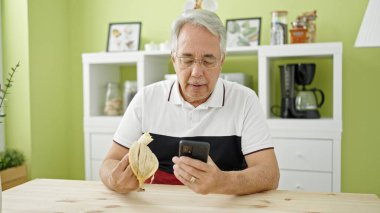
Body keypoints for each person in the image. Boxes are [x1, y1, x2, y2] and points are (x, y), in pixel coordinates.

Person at [100, 9, 280, 195]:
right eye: (187, 59)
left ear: (222, 61)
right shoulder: (146, 99)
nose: (196, 72)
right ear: (173, 60)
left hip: (222, 204)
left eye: (208, 60)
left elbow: (269, 174)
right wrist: (114, 179)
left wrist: (222, 182)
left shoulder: (245, 100)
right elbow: (109, 162)